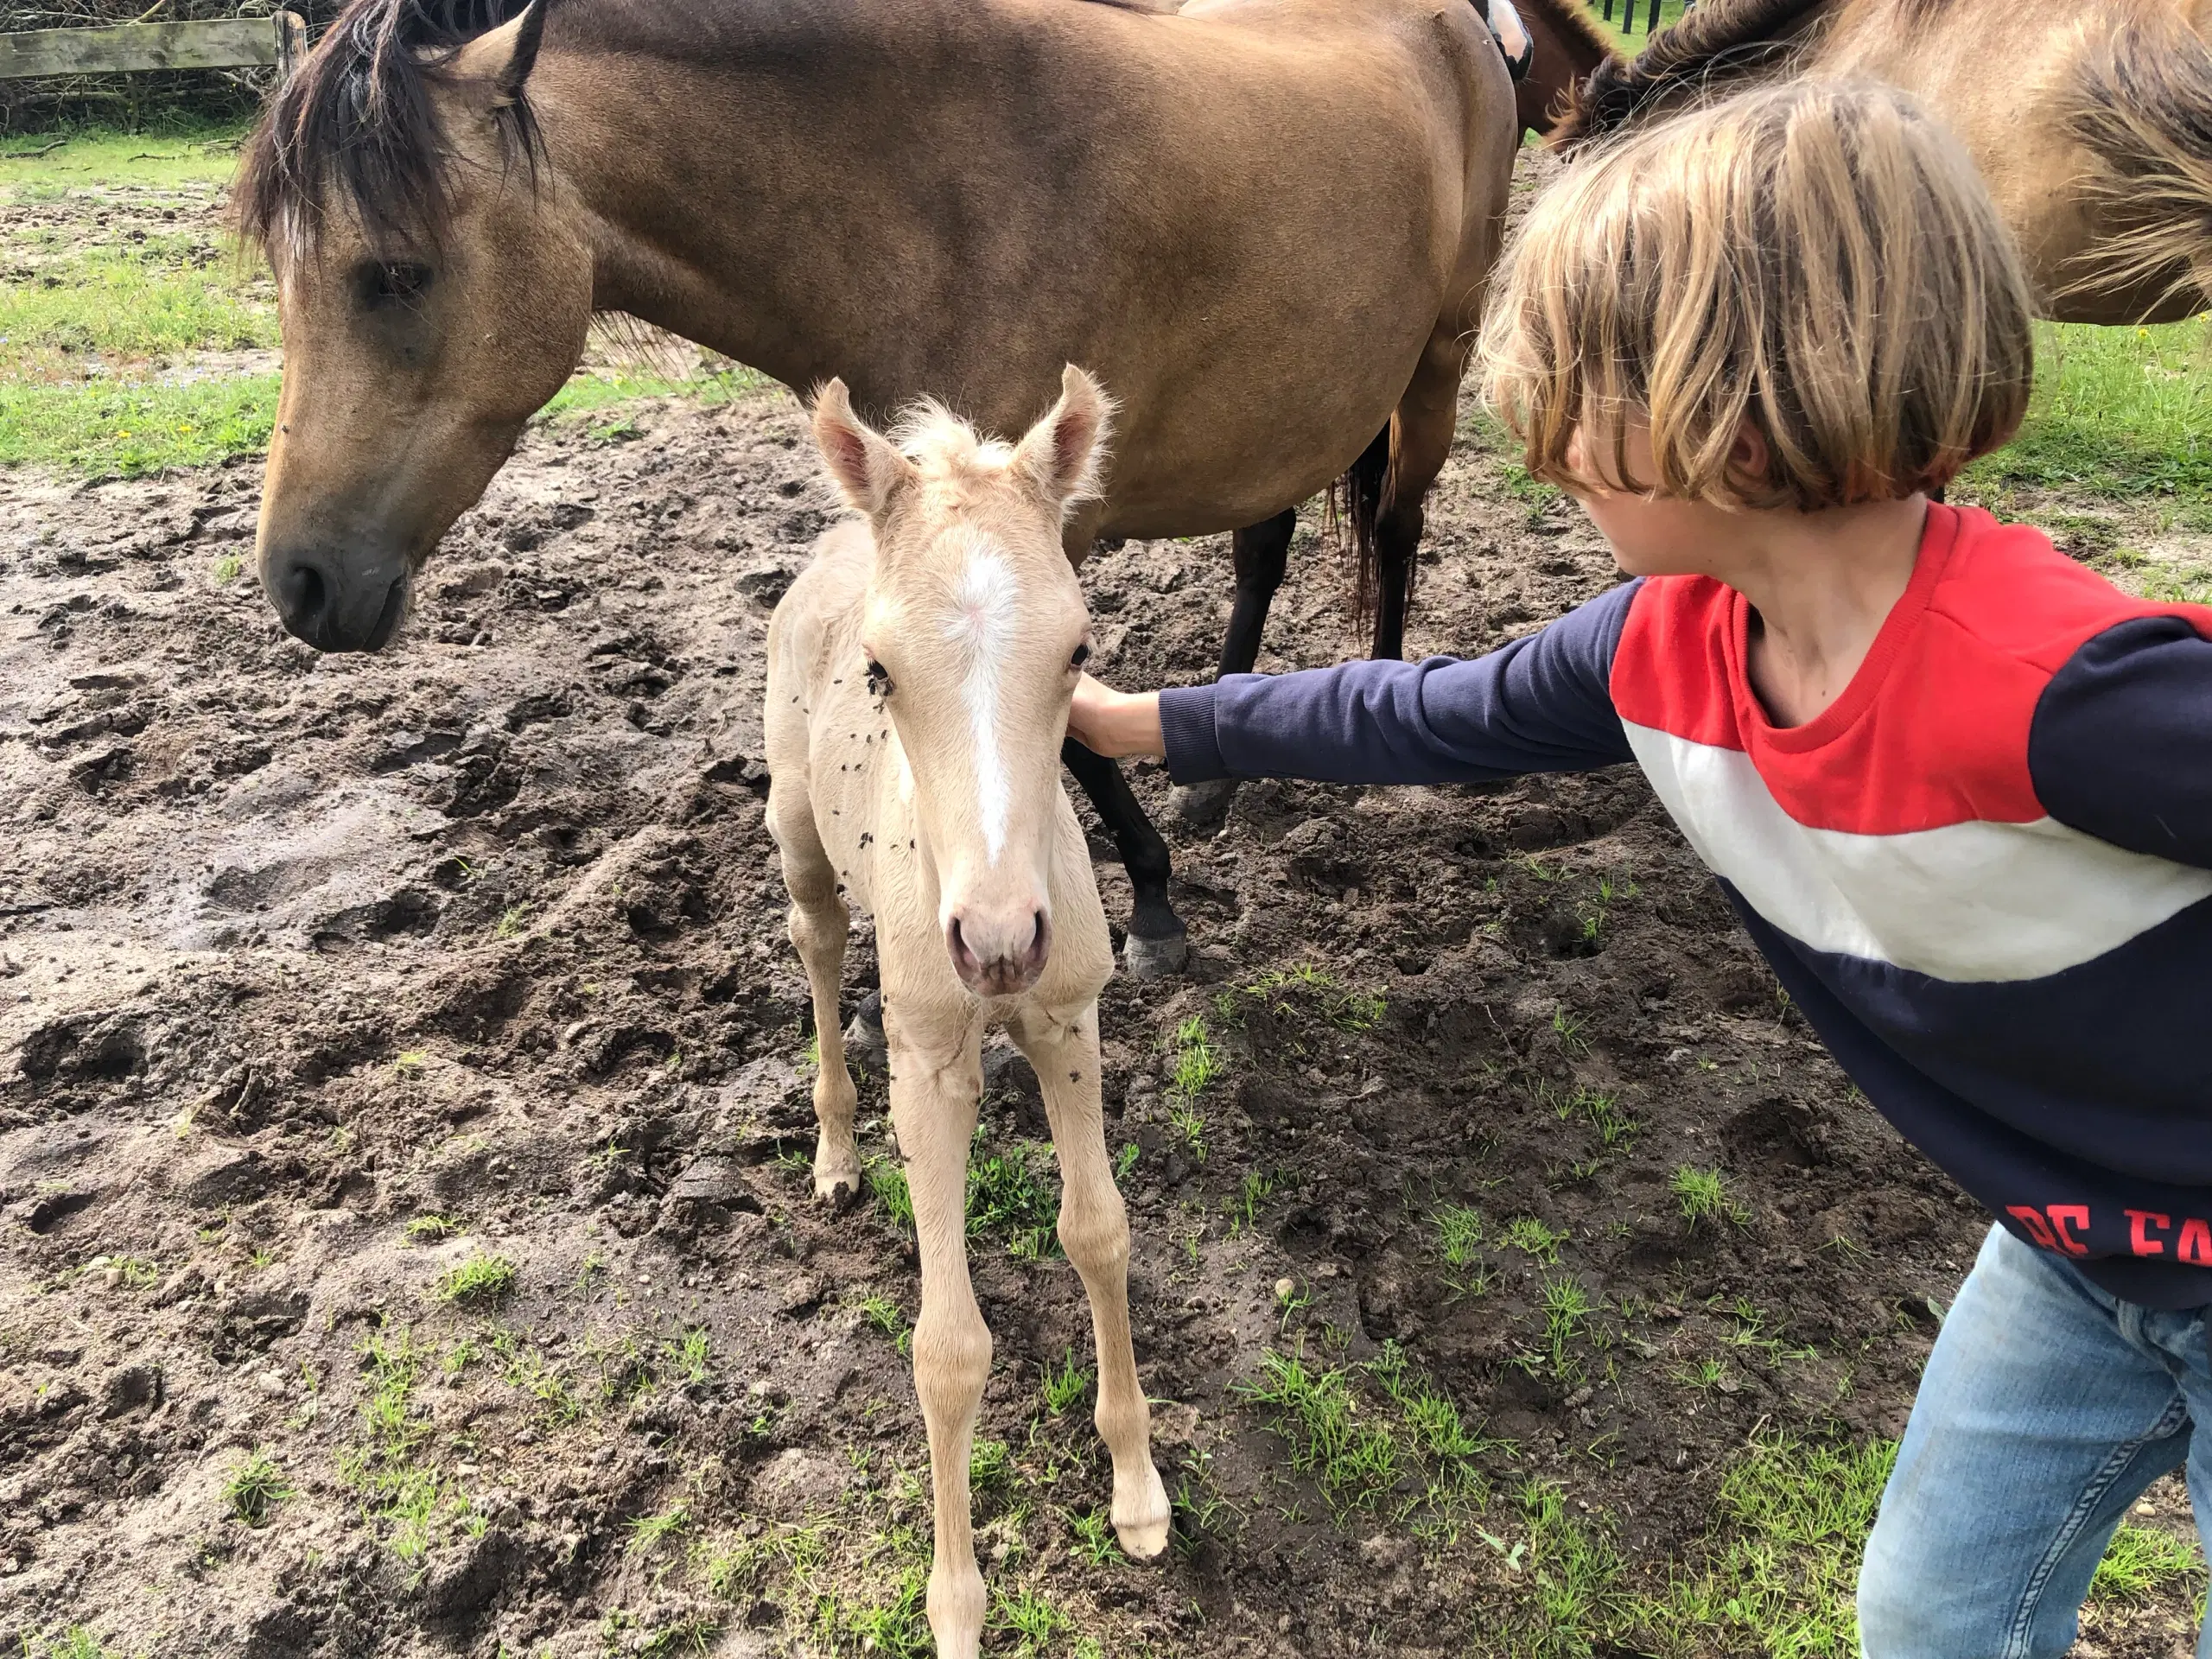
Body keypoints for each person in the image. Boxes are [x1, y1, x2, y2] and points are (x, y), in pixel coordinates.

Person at [1070, 82, 2212, 1657]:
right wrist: (1130, 719)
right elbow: (1417, 715)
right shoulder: (1657, 649)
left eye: (1578, 377)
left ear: (1739, 406)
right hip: (2071, 1252)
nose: (1530, 428)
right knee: (1932, 1619)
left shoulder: (2068, 690)